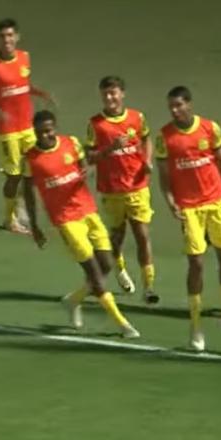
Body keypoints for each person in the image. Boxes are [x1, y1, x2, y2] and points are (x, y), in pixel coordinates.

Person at [22, 110, 140, 339]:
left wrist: (104, 154)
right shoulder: (31, 159)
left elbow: (87, 162)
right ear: (35, 132)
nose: (46, 135)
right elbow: (28, 192)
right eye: (41, 132)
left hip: (88, 212)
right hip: (66, 221)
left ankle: (73, 300)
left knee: (106, 265)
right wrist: (34, 225)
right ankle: (123, 324)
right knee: (95, 274)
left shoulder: (71, 144)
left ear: (55, 128)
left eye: (49, 130)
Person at [155, 87, 221, 352]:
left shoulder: (210, 129)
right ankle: (195, 326)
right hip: (190, 208)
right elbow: (163, 175)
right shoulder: (165, 137)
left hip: (216, 202)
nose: (174, 110)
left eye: (178, 105)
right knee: (196, 263)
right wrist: (171, 201)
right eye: (171, 106)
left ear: (189, 105)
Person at [0, 18, 54, 233]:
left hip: (27, 126)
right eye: (2, 36)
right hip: (5, 132)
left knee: (32, 171)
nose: (7, 40)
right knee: (14, 175)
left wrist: (39, 92)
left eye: (10, 35)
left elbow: (22, 84)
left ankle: (21, 207)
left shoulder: (24, 58)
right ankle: (9, 219)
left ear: (17, 37)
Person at [85, 76, 158, 304]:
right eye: (106, 94)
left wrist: (147, 159)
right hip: (111, 190)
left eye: (114, 93)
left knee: (143, 236)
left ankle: (149, 287)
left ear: (122, 94)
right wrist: (109, 149)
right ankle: (120, 270)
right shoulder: (96, 124)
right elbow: (90, 156)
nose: (110, 98)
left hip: (137, 187)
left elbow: (147, 139)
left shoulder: (137, 118)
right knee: (116, 238)